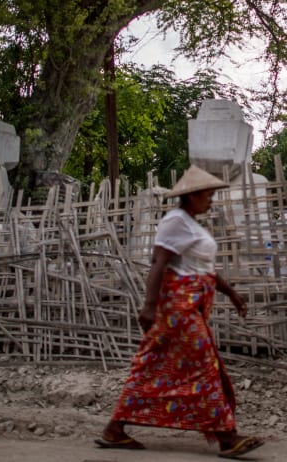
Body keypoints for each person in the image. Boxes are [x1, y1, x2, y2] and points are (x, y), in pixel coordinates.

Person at [96, 165, 264, 459]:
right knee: (204, 367)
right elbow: (159, 264)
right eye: (208, 195)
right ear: (192, 195)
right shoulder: (175, 221)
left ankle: (114, 430)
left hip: (188, 306)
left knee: (153, 367)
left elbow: (204, 270)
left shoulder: (191, 223)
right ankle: (227, 438)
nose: (211, 201)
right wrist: (149, 307)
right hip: (177, 309)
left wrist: (232, 293)